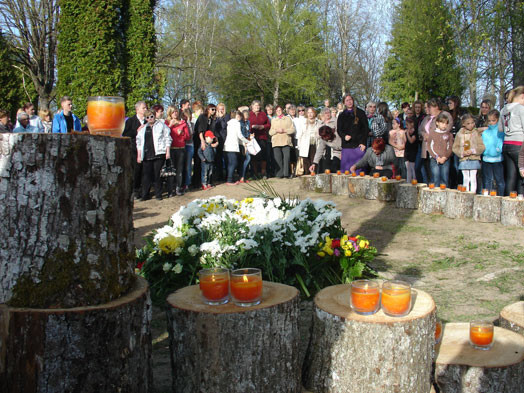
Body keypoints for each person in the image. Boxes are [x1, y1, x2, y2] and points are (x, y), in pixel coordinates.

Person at [136, 110, 171, 201]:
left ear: (154, 116)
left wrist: (167, 152)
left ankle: (158, 194)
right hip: (147, 154)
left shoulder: (161, 126)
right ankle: (145, 194)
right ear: (145, 118)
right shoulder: (143, 129)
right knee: (146, 175)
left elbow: (168, 139)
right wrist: (139, 156)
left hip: (159, 153)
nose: (150, 119)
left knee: (157, 175)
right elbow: (139, 143)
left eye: (151, 116)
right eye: (147, 117)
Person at [418, 98, 452, 184]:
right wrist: (423, 134)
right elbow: (420, 129)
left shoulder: (445, 115)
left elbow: (447, 129)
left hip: (441, 149)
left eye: (429, 107)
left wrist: (432, 136)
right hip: (427, 149)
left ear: (436, 107)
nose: (427, 109)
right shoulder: (427, 118)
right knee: (431, 174)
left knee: (443, 175)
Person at [499, 86, 524, 195]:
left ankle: (508, 201)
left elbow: (500, 129)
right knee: (521, 175)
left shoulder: (503, 110)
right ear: (522, 96)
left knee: (510, 176)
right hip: (519, 144)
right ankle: (520, 199)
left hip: (506, 144)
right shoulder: (520, 109)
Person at [337, 93, 369, 174]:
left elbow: (365, 129)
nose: (349, 102)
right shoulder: (341, 115)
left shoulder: (361, 113)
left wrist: (363, 143)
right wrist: (344, 136)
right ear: (344, 103)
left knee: (359, 172)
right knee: (346, 172)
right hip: (347, 147)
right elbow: (339, 130)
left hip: (359, 146)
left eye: (350, 100)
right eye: (347, 100)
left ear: (353, 101)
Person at [452, 114, 485, 193]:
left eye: (472, 123)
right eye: (468, 123)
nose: (471, 125)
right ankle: (465, 193)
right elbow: (455, 148)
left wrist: (473, 151)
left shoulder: (476, 133)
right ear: (463, 124)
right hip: (464, 159)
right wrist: (462, 153)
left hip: (474, 158)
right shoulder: (459, 134)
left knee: (473, 177)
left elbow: (482, 146)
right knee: (466, 178)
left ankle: (473, 193)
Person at [123, 101, 148, 198]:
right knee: (136, 170)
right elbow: (126, 134)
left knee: (145, 171)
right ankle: (135, 189)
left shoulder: (148, 120)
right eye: (143, 108)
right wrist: (136, 131)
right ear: (137, 109)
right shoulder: (130, 121)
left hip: (146, 149)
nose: (145, 109)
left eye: (146, 108)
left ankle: (144, 190)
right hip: (135, 149)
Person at [165, 106, 190, 196]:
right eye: (173, 112)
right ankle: (170, 189)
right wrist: (170, 126)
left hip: (180, 149)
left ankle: (178, 188)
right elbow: (163, 134)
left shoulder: (183, 123)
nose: (175, 113)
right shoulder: (166, 122)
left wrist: (182, 133)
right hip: (171, 149)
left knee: (179, 170)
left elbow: (188, 136)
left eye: (176, 112)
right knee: (171, 170)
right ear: (170, 113)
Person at [480, 109, 505, 195]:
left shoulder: (501, 132)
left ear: (498, 119)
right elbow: (482, 144)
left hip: (497, 160)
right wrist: (485, 151)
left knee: (499, 181)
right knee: (487, 180)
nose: (491, 122)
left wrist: (498, 150)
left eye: (493, 120)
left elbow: (501, 143)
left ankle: (500, 197)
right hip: (486, 159)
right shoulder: (485, 133)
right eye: (489, 120)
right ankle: (487, 198)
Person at [427, 112, 454, 187]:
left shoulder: (449, 134)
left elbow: (450, 147)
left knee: (444, 177)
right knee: (435, 177)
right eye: (442, 123)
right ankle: (436, 194)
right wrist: (436, 157)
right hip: (434, 158)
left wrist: (445, 157)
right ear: (437, 123)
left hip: (445, 159)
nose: (444, 125)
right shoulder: (432, 133)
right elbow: (429, 146)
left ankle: (445, 195)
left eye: (446, 124)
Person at [193, 104, 217, 188]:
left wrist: (215, 141)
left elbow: (213, 132)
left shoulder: (212, 119)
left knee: (209, 162)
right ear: (208, 109)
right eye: (212, 109)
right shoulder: (202, 117)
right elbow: (200, 131)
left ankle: (208, 181)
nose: (214, 111)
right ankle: (197, 182)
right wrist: (202, 141)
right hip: (200, 141)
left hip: (209, 142)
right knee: (199, 161)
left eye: (215, 110)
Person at [224, 111, 249, 185]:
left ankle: (229, 178)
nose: (241, 118)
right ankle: (229, 180)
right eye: (240, 116)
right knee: (234, 163)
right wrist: (247, 141)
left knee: (230, 163)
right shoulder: (237, 123)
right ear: (237, 116)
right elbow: (240, 135)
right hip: (233, 146)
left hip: (227, 146)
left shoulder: (229, 123)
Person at [269, 105, 295, 178]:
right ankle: (279, 174)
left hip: (286, 141)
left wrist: (284, 130)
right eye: (277, 111)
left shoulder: (288, 119)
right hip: (276, 141)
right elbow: (270, 132)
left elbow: (292, 130)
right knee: (278, 159)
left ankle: (286, 174)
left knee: (287, 158)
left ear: (282, 110)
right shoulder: (273, 120)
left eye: (279, 110)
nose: (278, 112)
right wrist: (276, 130)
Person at [249, 100, 271, 178]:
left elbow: (268, 124)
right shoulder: (249, 114)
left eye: (258, 105)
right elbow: (246, 123)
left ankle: (263, 172)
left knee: (263, 156)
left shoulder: (263, 114)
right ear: (252, 106)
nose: (257, 107)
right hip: (253, 138)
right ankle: (255, 173)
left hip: (262, 137)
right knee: (254, 156)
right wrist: (252, 126)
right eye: (255, 105)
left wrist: (263, 126)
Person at [297, 107, 320, 175]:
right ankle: (307, 177)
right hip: (305, 145)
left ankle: (314, 176)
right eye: (308, 112)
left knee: (314, 161)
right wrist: (299, 146)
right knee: (306, 162)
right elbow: (299, 135)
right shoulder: (303, 122)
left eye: (311, 112)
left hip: (315, 144)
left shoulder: (318, 122)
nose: (310, 114)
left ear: (314, 113)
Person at [214, 103, 229, 181]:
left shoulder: (227, 117)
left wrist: (221, 118)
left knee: (226, 158)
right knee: (218, 159)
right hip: (218, 140)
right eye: (219, 109)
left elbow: (224, 126)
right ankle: (219, 175)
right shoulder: (215, 118)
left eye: (222, 109)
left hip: (226, 140)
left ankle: (227, 175)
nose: (221, 110)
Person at [182, 108, 195, 192]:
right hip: (183, 145)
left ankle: (187, 183)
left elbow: (191, 135)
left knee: (188, 166)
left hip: (190, 145)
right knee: (182, 165)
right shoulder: (182, 123)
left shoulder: (192, 124)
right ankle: (182, 183)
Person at [239, 110, 253, 183]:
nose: (247, 116)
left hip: (248, 142)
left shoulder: (248, 122)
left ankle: (244, 176)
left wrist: (251, 136)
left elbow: (248, 132)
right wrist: (244, 143)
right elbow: (241, 134)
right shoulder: (240, 123)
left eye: (248, 115)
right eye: (245, 115)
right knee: (246, 158)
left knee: (247, 159)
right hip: (242, 143)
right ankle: (242, 177)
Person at [404, 117, 418, 182]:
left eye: (408, 124)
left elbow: (411, 141)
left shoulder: (415, 132)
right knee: (408, 168)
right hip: (407, 151)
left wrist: (407, 134)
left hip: (413, 151)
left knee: (412, 168)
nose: (407, 126)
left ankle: (414, 181)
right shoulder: (405, 131)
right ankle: (408, 181)